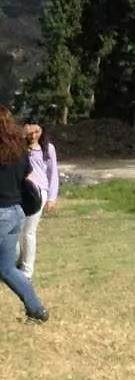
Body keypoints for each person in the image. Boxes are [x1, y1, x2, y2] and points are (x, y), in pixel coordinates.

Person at [0, 110, 48, 322]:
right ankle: (36, 309)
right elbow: (29, 180)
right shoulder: (19, 151)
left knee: (6, 268)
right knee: (7, 268)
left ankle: (36, 309)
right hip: (16, 213)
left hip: (1, 214)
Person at [19, 123, 59, 279]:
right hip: (20, 192)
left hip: (38, 193)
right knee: (16, 231)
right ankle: (17, 263)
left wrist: (52, 197)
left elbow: (53, 173)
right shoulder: (19, 146)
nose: (34, 135)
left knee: (28, 231)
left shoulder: (48, 149)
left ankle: (27, 271)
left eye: (38, 131)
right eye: (31, 131)